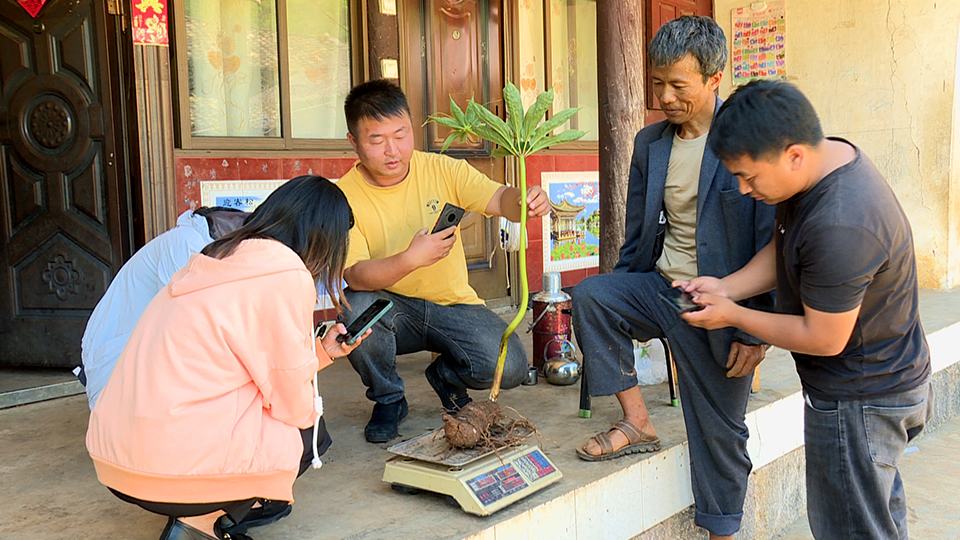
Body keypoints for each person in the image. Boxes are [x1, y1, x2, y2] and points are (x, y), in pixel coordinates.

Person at [679, 80, 932, 540]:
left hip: (862, 400)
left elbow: (824, 336)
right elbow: (783, 250)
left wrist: (733, 316)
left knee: (851, 530)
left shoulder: (842, 220)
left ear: (793, 154)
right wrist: (727, 288)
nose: (742, 188)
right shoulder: (822, 161)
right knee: (874, 524)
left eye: (749, 177)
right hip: (881, 383)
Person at [570, 16, 775, 539]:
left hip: (721, 305)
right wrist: (622, 290)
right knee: (592, 296)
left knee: (720, 432)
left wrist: (755, 331)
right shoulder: (651, 144)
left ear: (713, 79)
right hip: (661, 286)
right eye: (657, 83)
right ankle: (637, 421)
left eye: (677, 85)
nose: (664, 96)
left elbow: (768, 242)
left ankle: (723, 530)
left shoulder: (750, 140)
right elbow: (638, 232)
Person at [86, 176, 365, 540]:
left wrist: (322, 353)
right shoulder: (286, 271)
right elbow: (287, 390)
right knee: (309, 429)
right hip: (169, 465)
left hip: (116, 457)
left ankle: (198, 520)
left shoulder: (214, 254)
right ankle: (199, 524)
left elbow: (238, 359)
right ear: (324, 237)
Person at [338, 79, 551, 443]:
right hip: (393, 308)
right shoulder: (342, 196)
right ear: (353, 143)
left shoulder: (442, 169)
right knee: (354, 309)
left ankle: (446, 378)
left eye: (401, 134)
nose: (393, 150)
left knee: (511, 366)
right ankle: (389, 399)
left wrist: (527, 202)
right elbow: (355, 275)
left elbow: (499, 198)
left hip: (453, 304)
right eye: (377, 140)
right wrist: (410, 259)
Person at [79, 206, 247, 409]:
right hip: (117, 360)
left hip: (148, 359)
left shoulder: (210, 249)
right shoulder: (187, 244)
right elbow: (183, 329)